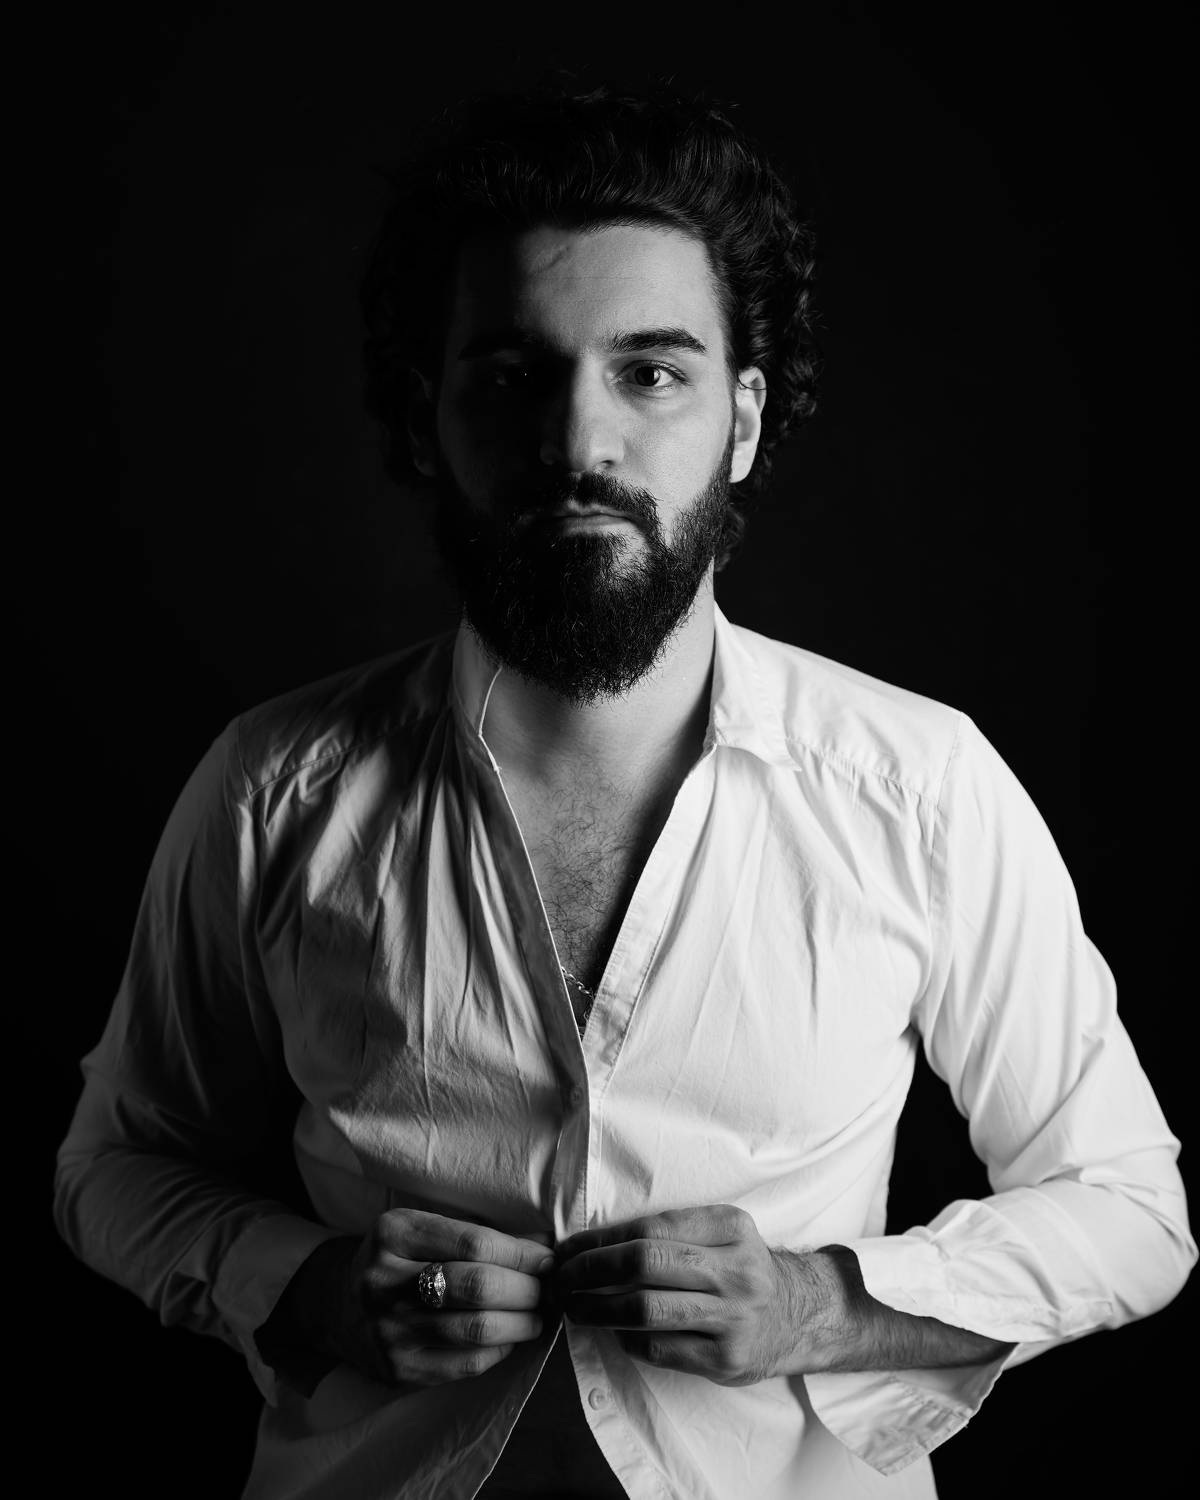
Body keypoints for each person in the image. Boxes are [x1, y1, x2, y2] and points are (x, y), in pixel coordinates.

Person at [55, 84, 1194, 1500]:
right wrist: (315, 1290)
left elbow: (1132, 1211)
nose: (578, 443)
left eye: (651, 373)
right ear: (425, 421)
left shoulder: (923, 789)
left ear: (743, 422)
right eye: (512, 377)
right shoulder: (270, 791)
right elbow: (116, 1166)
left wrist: (822, 1307)